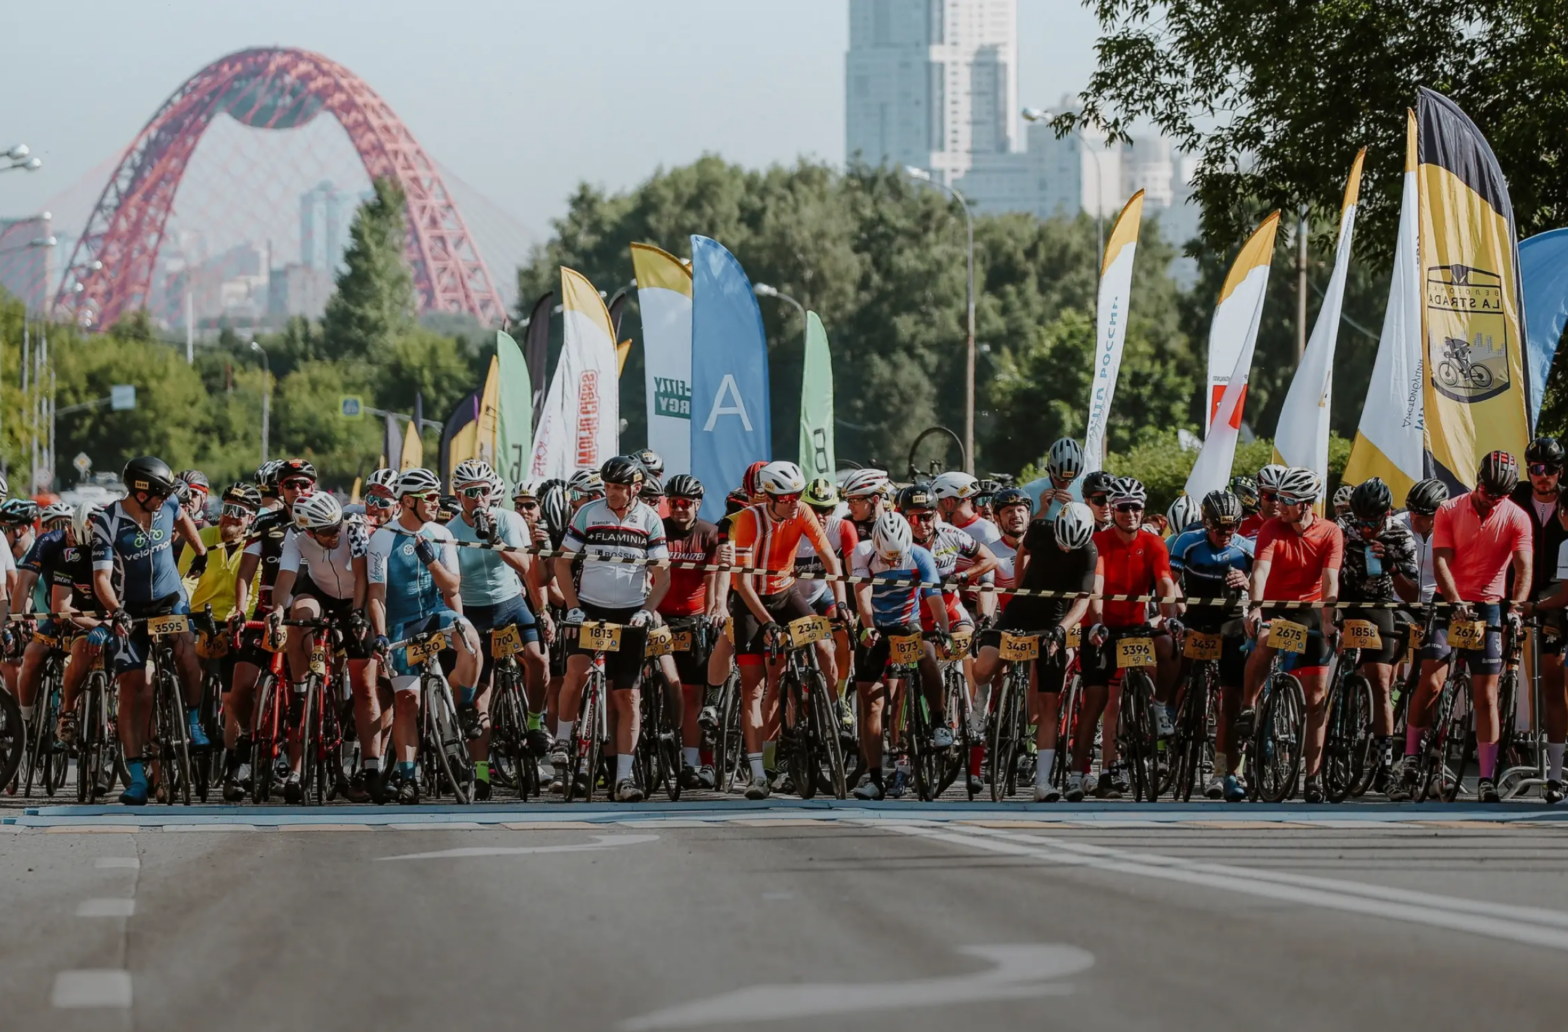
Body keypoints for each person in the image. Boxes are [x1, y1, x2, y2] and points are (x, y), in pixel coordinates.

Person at [1393, 452, 1531, 804]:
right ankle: (1410, 754)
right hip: (1448, 599)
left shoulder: (1517, 516)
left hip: (1488, 606)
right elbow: (1440, 559)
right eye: (1485, 489)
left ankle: (1487, 777)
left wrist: (1514, 608)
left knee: (1486, 696)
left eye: (1498, 495)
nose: (1489, 498)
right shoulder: (1450, 509)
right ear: (1477, 479)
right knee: (1432, 680)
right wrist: (1454, 602)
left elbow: (1523, 567)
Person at [91, 456, 209, 805]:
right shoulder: (108, 521)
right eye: (159, 495)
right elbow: (100, 578)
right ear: (141, 493)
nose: (164, 500)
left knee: (186, 649)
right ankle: (138, 777)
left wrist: (199, 550)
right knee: (134, 689)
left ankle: (192, 720)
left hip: (170, 599)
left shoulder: (168, 501)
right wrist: (116, 612)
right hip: (131, 610)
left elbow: (184, 517)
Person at [552, 456, 670, 803]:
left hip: (630, 613)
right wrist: (573, 606)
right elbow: (562, 562)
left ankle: (624, 777)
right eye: (607, 486)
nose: (611, 493)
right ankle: (561, 740)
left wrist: (648, 611)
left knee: (628, 697)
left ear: (636, 487)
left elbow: (663, 575)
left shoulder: (650, 520)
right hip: (590, 606)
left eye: (618, 487)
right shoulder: (588, 513)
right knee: (577, 672)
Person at [726, 461, 841, 799]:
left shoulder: (802, 511)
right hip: (751, 603)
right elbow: (742, 585)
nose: (794, 502)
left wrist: (843, 601)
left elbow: (830, 560)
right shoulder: (748, 521)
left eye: (797, 496)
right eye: (787, 497)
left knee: (824, 645)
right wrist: (768, 624)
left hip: (786, 593)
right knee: (755, 686)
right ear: (770, 497)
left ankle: (831, 715)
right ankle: (758, 773)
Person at [366, 467, 479, 804]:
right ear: (406, 502)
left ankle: (468, 704)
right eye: (428, 498)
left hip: (433, 616)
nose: (435, 502)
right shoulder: (383, 538)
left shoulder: (440, 533)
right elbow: (376, 594)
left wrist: (431, 561)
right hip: (402, 625)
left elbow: (452, 587)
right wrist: (381, 634)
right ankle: (407, 776)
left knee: (470, 639)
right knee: (407, 701)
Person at [972, 502, 1098, 802]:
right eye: (1063, 544)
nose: (1067, 551)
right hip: (1019, 613)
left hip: (1053, 621)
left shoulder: (1089, 551)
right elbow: (1022, 553)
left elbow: (1082, 600)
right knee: (984, 666)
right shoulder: (1041, 530)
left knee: (1048, 704)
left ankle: (1043, 782)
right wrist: (1019, 587)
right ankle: (979, 703)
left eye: (1074, 547)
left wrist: (1063, 628)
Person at [445, 460, 551, 801]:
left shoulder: (509, 519)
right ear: (459, 496)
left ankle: (535, 722)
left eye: (485, 492)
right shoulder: (450, 531)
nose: (479, 499)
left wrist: (496, 539)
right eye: (471, 493)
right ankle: (481, 775)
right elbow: (451, 586)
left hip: (509, 602)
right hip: (475, 610)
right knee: (480, 696)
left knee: (538, 660)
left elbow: (526, 569)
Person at [1237, 467, 1343, 804]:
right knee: (1266, 638)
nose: (1279, 505)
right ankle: (1249, 706)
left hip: (1310, 611)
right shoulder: (1272, 528)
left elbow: (1330, 581)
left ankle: (1312, 777)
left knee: (1316, 701)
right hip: (1276, 607)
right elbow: (1260, 571)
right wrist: (1255, 608)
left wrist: (1328, 621)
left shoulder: (1330, 532)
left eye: (1288, 500)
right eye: (1278, 498)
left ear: (1307, 503)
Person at [1072, 477, 1182, 799]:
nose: (1130, 513)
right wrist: (1098, 622)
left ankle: (1159, 706)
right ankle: (1078, 773)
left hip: (1136, 628)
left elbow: (1164, 583)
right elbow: (1098, 584)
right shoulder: (1099, 541)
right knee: (1098, 701)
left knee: (1168, 644)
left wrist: (1171, 617)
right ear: (1113, 509)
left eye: (1135, 507)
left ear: (1143, 509)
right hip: (1102, 628)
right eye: (1123, 507)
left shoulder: (1154, 543)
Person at [227, 458, 318, 799]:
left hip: (305, 615)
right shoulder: (265, 522)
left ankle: (296, 770)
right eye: (291, 485)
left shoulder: (323, 517)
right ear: (281, 490)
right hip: (267, 612)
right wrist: (239, 608)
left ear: (314, 487)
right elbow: (245, 572)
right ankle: (250, 738)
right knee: (240, 688)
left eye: (304, 484)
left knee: (301, 695)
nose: (298, 490)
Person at [849, 512, 951, 799]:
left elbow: (934, 598)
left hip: (908, 624)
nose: (893, 563)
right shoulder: (863, 552)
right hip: (876, 624)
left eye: (898, 558)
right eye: (888, 558)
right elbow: (863, 594)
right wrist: (868, 628)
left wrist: (943, 630)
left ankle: (938, 721)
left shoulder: (919, 555)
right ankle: (875, 778)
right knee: (871, 701)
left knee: (928, 654)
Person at [1167, 490, 1254, 801]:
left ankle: (1223, 772)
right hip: (1196, 618)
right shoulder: (1187, 542)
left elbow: (1263, 586)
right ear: (1206, 523)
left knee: (1231, 702)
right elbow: (1171, 579)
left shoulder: (1245, 549)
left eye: (1233, 527)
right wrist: (1175, 611)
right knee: (1182, 666)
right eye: (1219, 528)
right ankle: (1173, 711)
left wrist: (1247, 582)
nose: (1226, 534)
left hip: (1230, 622)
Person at [1336, 477, 1420, 791]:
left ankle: (1383, 768)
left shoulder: (1400, 536)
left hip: (1378, 603)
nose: (1366, 528)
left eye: (1372, 522)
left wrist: (1392, 567)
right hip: (1344, 600)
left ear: (1386, 515)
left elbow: (1410, 595)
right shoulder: (1342, 530)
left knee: (1381, 683)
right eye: (1360, 521)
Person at [181, 482, 263, 801]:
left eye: (238, 513)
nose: (229, 518)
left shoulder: (255, 546)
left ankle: (232, 769)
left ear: (251, 519)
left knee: (231, 699)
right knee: (185, 666)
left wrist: (242, 619)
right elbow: (186, 580)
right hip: (201, 616)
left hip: (237, 622)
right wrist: (185, 617)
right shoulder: (201, 539)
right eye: (226, 509)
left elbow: (254, 591)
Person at [657, 474, 725, 789]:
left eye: (685, 503)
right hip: (660, 617)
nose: (680, 509)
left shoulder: (709, 533)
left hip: (693, 620)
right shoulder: (659, 529)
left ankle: (689, 762)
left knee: (692, 694)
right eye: (674, 503)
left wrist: (713, 610)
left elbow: (713, 579)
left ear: (697, 504)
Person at [1397, 478, 1449, 605]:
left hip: (1435, 602)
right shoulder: (1396, 524)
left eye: (1420, 517)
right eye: (1411, 513)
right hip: (1399, 601)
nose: (1413, 519)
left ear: (1438, 515)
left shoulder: (1452, 530)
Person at [1241, 465, 1288, 538]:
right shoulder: (1241, 528)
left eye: (1280, 498)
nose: (1275, 503)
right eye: (1269, 497)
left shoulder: (1296, 528)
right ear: (1259, 492)